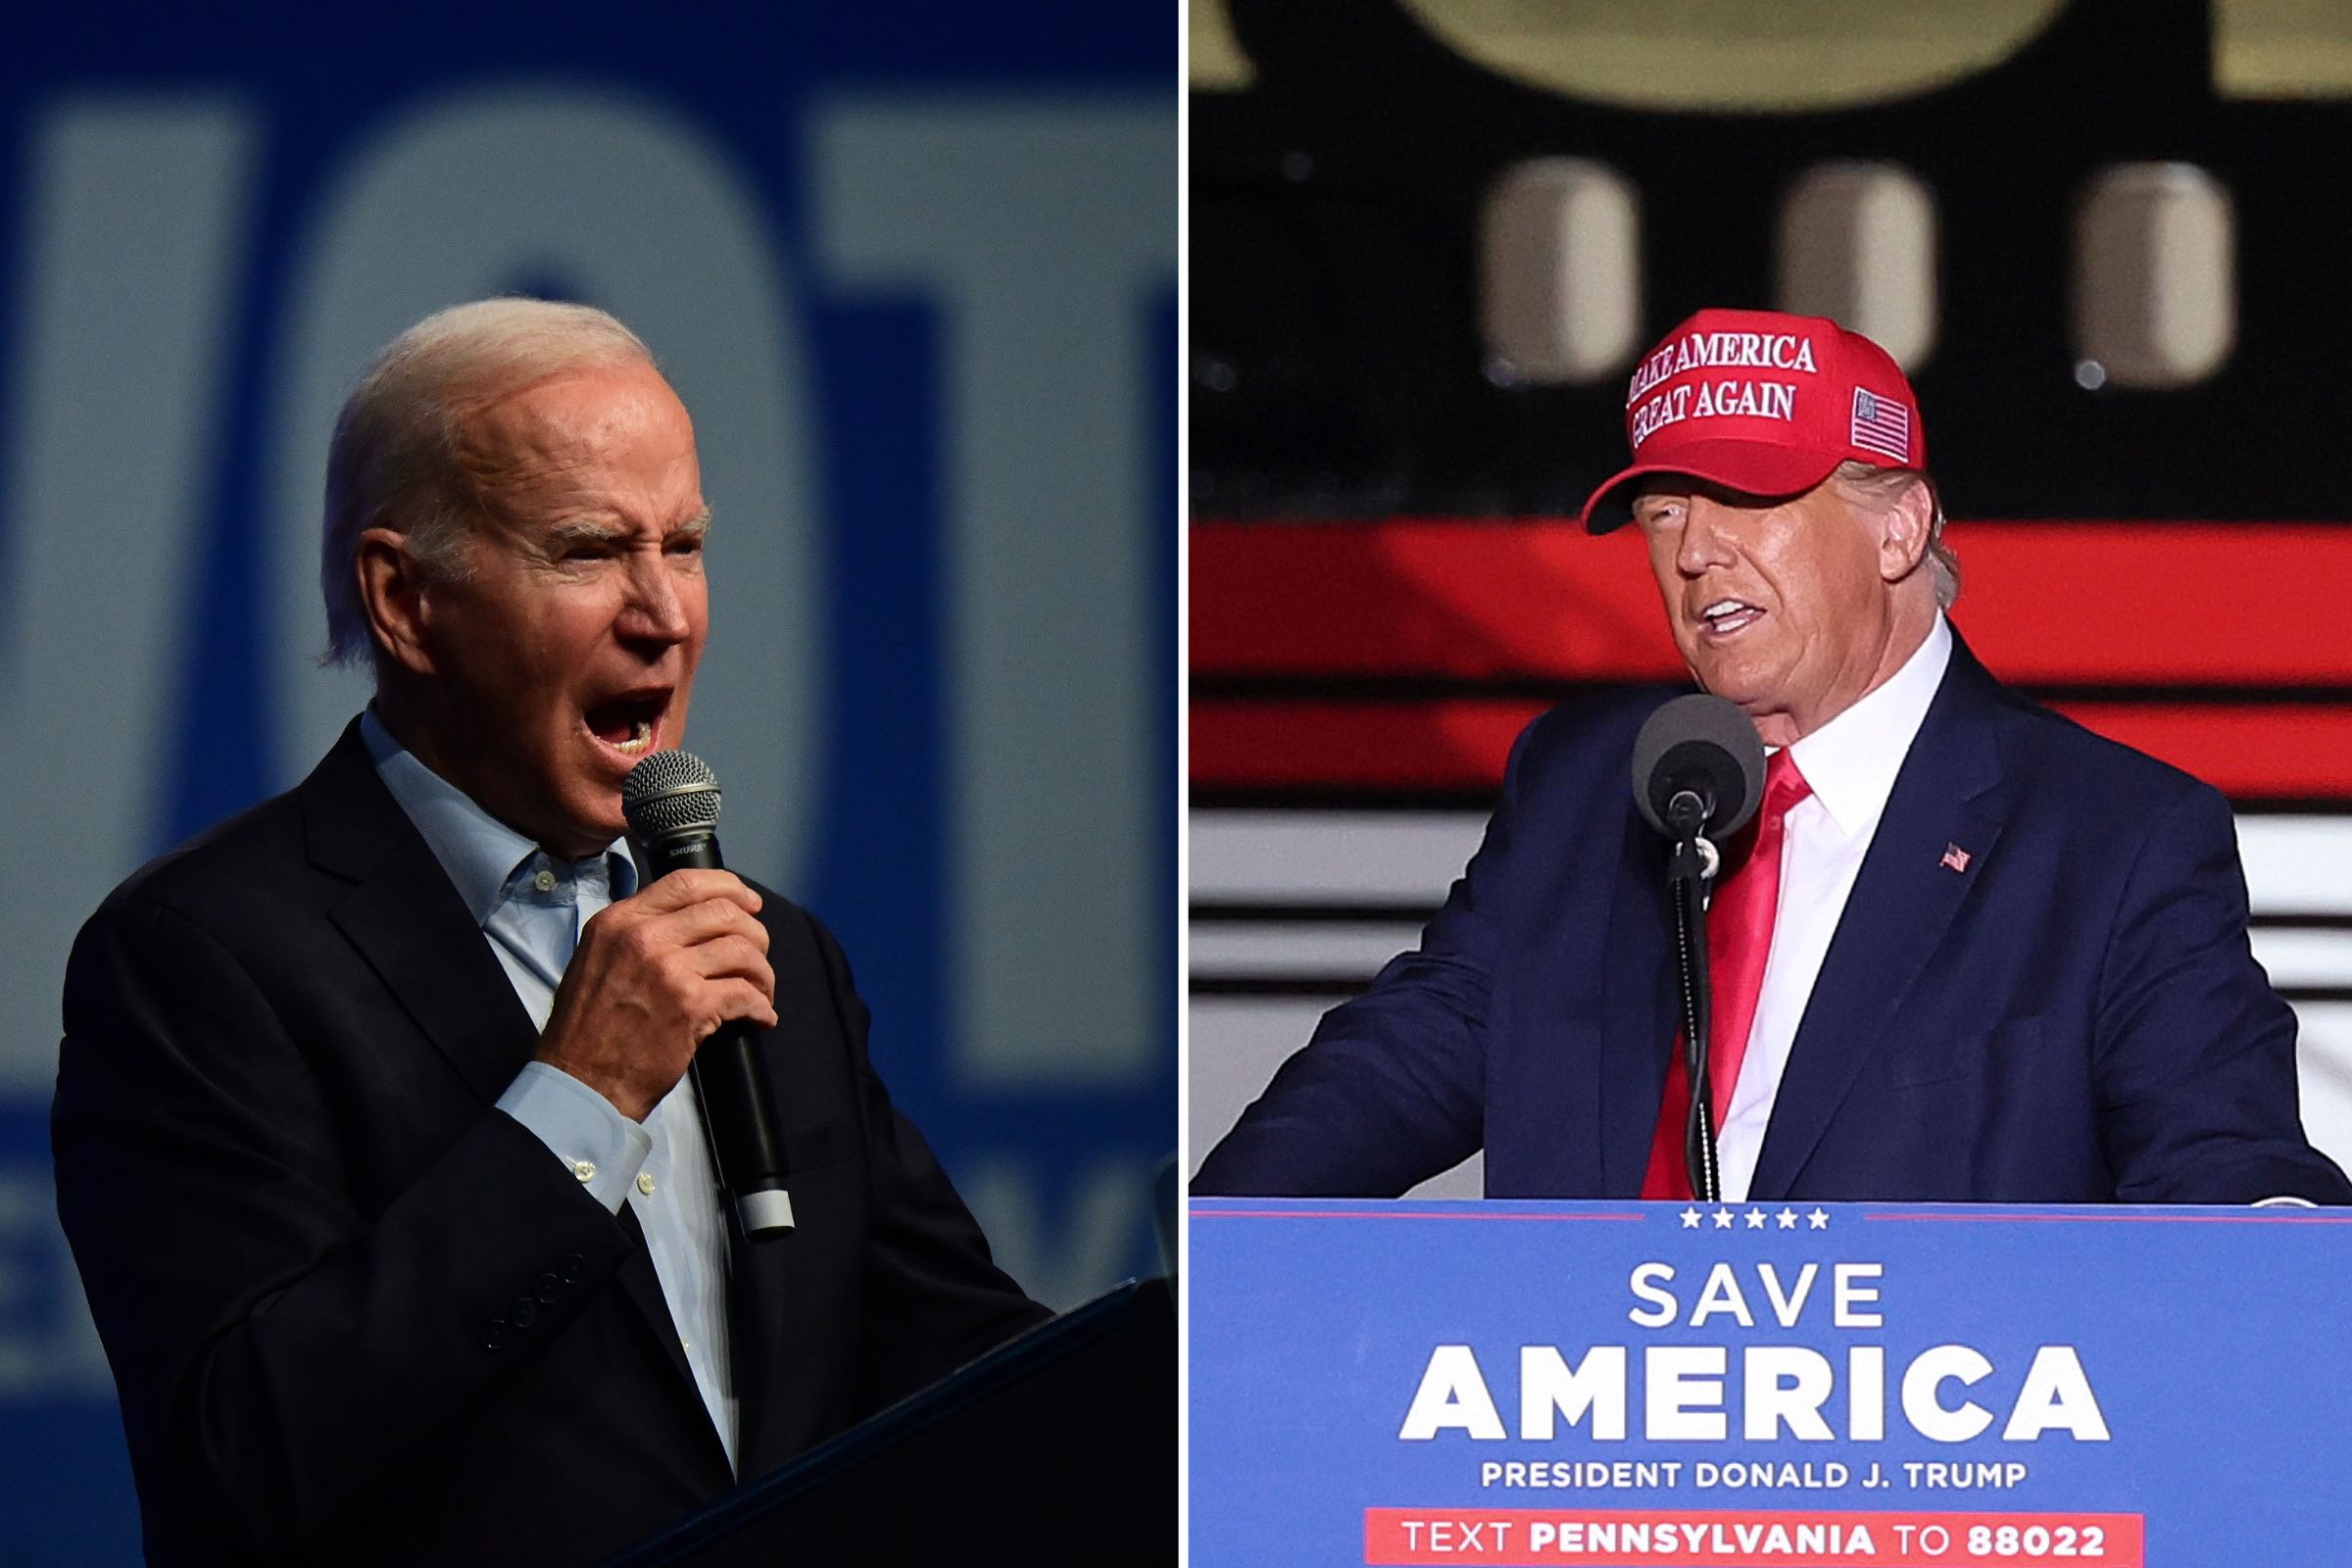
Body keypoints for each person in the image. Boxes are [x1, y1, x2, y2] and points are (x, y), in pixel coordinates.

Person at [52, 299, 1051, 1565]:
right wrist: (578, 1099)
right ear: (405, 599)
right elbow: (241, 1456)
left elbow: (960, 1362)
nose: (663, 613)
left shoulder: (773, 949)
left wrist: (1200, 1367)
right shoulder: (201, 957)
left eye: (682, 546)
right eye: (589, 552)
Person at [1196, 306, 2351, 1207]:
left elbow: (2223, 1168)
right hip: (1577, 1481)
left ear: (1898, 526)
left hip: (1914, 1490)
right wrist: (1216, 1254)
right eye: (1661, 509)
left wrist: (2281, 1263)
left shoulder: (2111, 838)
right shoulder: (1587, 781)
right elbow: (1406, 1060)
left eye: (1746, 498)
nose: (1696, 550)